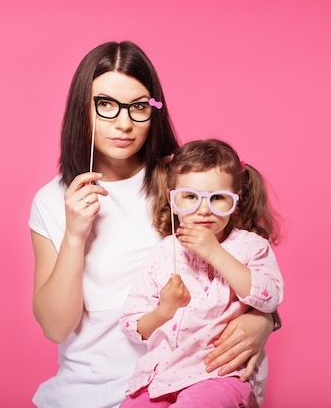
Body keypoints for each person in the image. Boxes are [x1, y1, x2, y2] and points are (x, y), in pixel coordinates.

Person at [28, 41, 278, 408]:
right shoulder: (53, 200)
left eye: (139, 106)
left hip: (191, 384)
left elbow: (250, 258)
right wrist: (75, 236)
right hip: (86, 394)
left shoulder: (181, 184)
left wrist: (264, 319)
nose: (124, 123)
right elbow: (55, 327)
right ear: (82, 108)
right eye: (106, 105)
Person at [119, 139, 284, 407]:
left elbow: (270, 297)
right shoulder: (163, 254)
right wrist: (165, 310)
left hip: (220, 372)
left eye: (218, 198)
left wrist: (215, 253)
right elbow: (132, 325)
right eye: (190, 198)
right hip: (162, 373)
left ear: (237, 201)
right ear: (174, 200)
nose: (203, 210)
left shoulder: (251, 246)